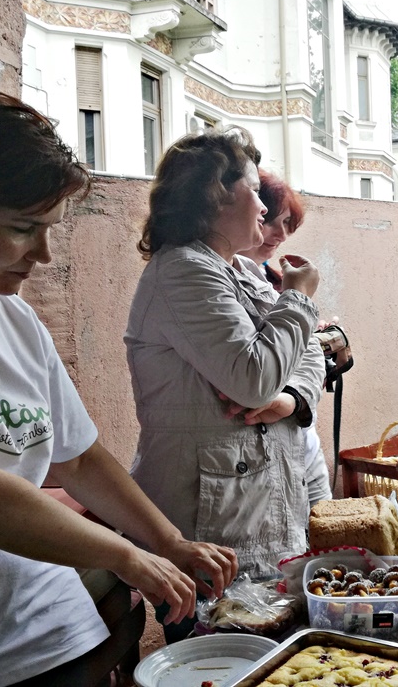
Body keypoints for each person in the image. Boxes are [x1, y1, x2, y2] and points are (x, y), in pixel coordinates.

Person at [0, 89, 238, 686]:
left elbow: (80, 458)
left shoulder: (9, 314)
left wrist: (170, 541)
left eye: (49, 228)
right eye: (23, 229)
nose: (44, 255)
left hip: (59, 628)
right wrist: (129, 556)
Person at [124, 126, 325, 637]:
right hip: (213, 529)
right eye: (254, 189)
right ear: (215, 195)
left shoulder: (237, 269)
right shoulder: (184, 271)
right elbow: (254, 377)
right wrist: (299, 298)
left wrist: (291, 398)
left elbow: (308, 353)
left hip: (261, 514)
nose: (263, 205)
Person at [239, 169, 333, 507]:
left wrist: (317, 340)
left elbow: (306, 358)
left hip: (304, 439)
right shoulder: (219, 283)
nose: (279, 233)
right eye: (269, 220)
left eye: (286, 223)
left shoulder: (277, 283)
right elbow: (258, 369)